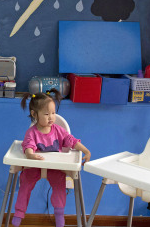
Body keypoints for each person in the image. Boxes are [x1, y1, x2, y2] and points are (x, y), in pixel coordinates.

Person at [12, 90, 91, 227]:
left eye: (53, 113)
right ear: (34, 114)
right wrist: (30, 154)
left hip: (54, 168)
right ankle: (19, 213)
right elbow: (28, 145)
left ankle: (59, 215)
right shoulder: (32, 132)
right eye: (47, 114)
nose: (51, 117)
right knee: (25, 183)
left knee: (59, 187)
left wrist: (85, 150)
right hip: (35, 165)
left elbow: (71, 140)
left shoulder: (58, 130)